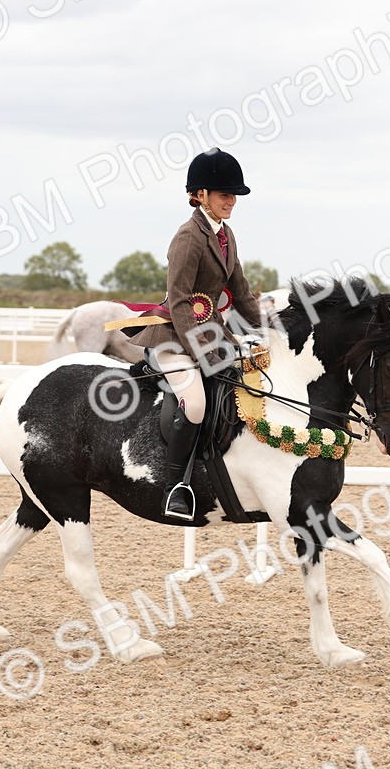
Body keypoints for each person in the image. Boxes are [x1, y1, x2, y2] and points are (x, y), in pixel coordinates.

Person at [127, 148, 264, 519]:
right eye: (224, 193)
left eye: (234, 194)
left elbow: (241, 290)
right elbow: (180, 300)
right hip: (175, 338)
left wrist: (267, 331)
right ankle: (177, 487)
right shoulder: (189, 236)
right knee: (198, 403)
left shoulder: (225, 234)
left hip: (211, 335)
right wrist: (204, 351)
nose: (231, 201)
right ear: (199, 194)